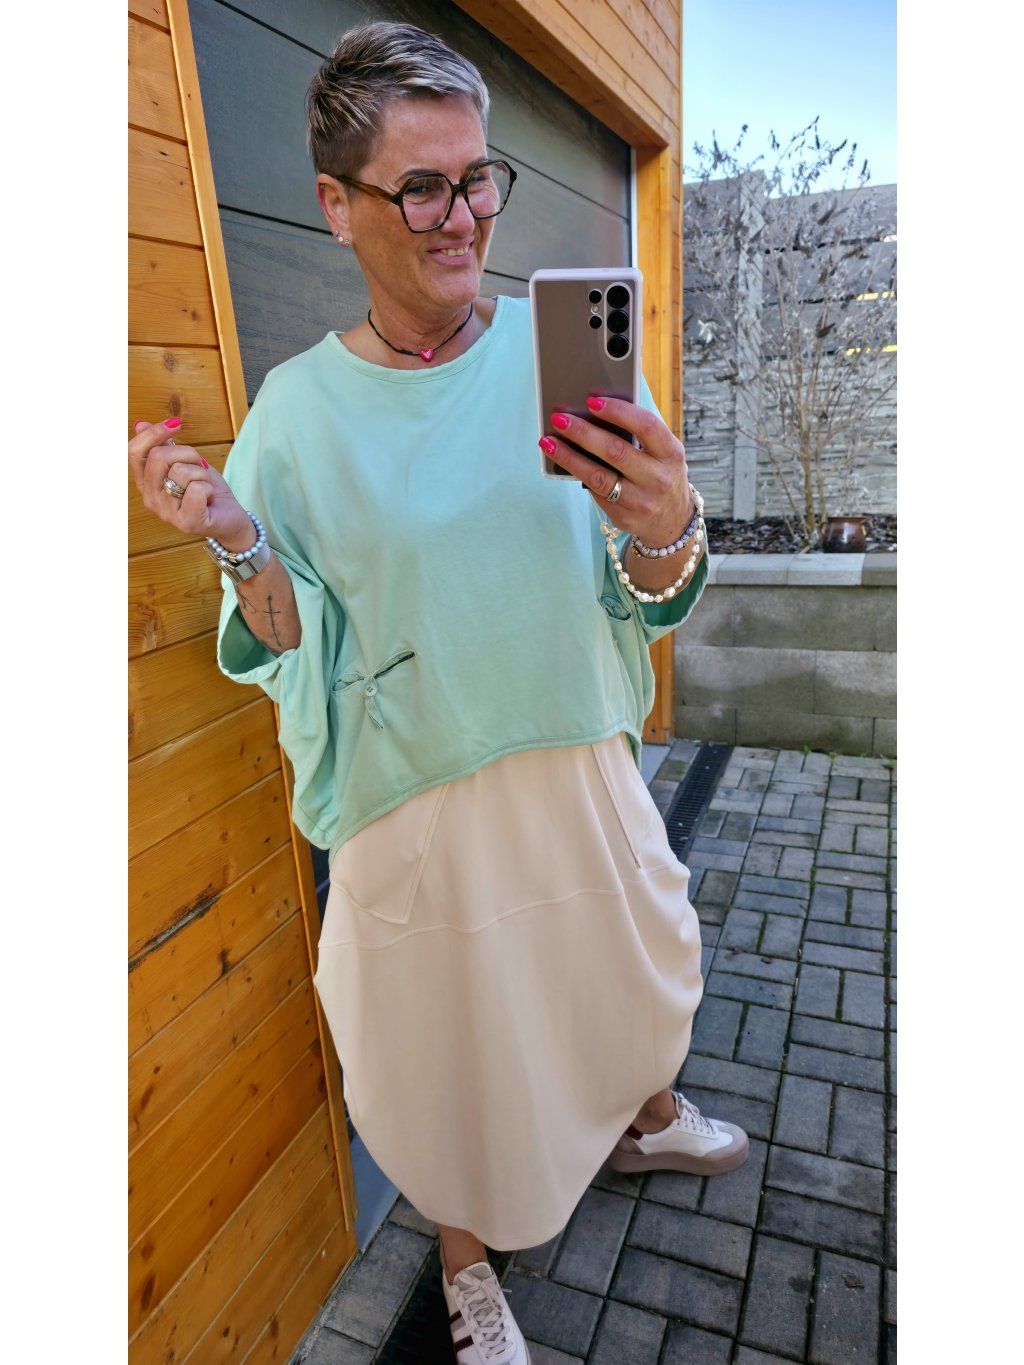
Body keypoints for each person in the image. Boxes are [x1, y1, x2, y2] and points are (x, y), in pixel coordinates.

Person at [127, 20, 748, 1364]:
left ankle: (644, 1118)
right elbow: (287, 636)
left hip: (574, 767)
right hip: (414, 802)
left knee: (630, 974)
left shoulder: (560, 357)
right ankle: (468, 1265)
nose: (463, 216)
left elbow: (648, 593)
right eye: (422, 186)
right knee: (448, 1051)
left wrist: (666, 524)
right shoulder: (299, 414)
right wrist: (236, 536)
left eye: (477, 179)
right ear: (335, 203)